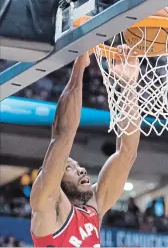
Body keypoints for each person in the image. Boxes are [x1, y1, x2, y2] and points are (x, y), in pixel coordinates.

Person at [30, 45, 141, 247]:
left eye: (76, 165)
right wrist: (79, 68)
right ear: (57, 180)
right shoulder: (46, 205)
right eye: (69, 168)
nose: (80, 169)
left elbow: (127, 152)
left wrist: (129, 86)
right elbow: (63, 135)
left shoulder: (93, 208)